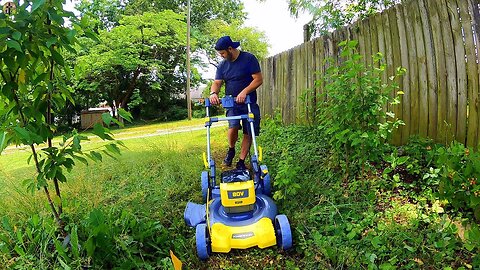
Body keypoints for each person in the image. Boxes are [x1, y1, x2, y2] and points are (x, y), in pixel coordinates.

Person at [209, 36, 263, 170]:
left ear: (230, 49)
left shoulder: (249, 59)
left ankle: (241, 161)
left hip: (248, 102)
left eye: (222, 53)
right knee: (233, 126)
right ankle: (231, 150)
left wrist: (245, 92)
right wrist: (213, 93)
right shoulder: (222, 65)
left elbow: (258, 79)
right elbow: (217, 82)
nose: (221, 56)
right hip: (231, 103)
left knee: (248, 131)